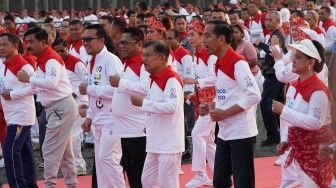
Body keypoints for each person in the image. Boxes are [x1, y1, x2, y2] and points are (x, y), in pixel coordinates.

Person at [203, 20, 261, 188]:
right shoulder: (218, 62)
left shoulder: (238, 63)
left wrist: (225, 113)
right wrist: (210, 107)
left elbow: (254, 95)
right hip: (225, 132)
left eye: (207, 36)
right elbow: (225, 95)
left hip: (241, 132)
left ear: (221, 39)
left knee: (243, 182)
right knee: (220, 181)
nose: (204, 40)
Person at [17, 27, 78, 188]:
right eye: (26, 41)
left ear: (43, 42)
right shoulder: (43, 58)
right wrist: (15, 94)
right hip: (58, 108)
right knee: (64, 152)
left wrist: (29, 78)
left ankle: (50, 185)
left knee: (50, 150)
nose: (27, 45)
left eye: (31, 42)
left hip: (60, 107)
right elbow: (40, 86)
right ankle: (71, 184)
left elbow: (51, 83)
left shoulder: (50, 59)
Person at [273, 39, 334, 188]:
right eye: (294, 55)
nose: (292, 59)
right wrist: (286, 141)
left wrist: (284, 111)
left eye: (298, 56)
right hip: (300, 153)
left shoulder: (318, 90)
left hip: (317, 154)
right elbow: (292, 120)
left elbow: (316, 122)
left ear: (310, 63)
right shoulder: (293, 86)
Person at [130, 40, 184, 188]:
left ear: (161, 58)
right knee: (147, 180)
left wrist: (143, 103)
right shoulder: (154, 78)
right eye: (143, 55)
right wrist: (148, 124)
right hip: (155, 140)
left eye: (148, 55)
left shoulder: (171, 78)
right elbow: (157, 105)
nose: (144, 59)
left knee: (168, 183)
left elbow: (172, 107)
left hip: (169, 142)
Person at [80, 24, 125, 188]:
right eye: (83, 40)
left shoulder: (111, 60)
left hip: (112, 119)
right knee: (100, 160)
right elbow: (94, 93)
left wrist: (89, 89)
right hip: (99, 119)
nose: (85, 43)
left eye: (89, 39)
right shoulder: (91, 60)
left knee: (108, 159)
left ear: (101, 40)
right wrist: (89, 117)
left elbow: (117, 90)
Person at [109, 27, 148, 188]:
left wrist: (121, 83)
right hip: (125, 129)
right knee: (131, 173)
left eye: (126, 43)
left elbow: (147, 88)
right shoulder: (127, 63)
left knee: (139, 173)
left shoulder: (144, 63)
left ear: (139, 44)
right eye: (120, 43)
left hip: (138, 128)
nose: (121, 46)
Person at [0, 33, 38, 188]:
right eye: (0, 45)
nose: (1, 47)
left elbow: (35, 87)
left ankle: (18, 185)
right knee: (25, 152)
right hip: (11, 115)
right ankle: (30, 185)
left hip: (21, 116)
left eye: (4, 45)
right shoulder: (3, 64)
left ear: (15, 46)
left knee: (10, 151)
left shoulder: (24, 66)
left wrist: (13, 95)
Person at [183, 20, 216, 188]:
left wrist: (196, 80)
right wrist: (193, 94)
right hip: (203, 99)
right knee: (208, 139)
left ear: (203, 35)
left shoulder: (211, 55)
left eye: (193, 35)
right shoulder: (196, 54)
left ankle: (200, 173)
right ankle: (220, 174)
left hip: (213, 100)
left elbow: (215, 78)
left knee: (197, 134)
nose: (190, 38)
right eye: (188, 35)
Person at [52, 38, 88, 176]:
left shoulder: (76, 62)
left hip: (80, 101)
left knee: (73, 135)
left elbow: (87, 80)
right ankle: (72, 165)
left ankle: (79, 166)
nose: (61, 53)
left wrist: (74, 93)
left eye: (63, 50)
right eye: (57, 51)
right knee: (66, 136)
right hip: (65, 103)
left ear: (68, 48)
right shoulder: (56, 63)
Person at [255, 11, 286, 146]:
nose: (267, 22)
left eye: (271, 20)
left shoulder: (277, 35)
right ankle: (282, 133)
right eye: (266, 19)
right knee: (277, 105)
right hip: (273, 74)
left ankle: (273, 135)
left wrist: (260, 44)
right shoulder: (274, 34)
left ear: (278, 21)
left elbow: (275, 52)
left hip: (274, 76)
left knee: (266, 104)